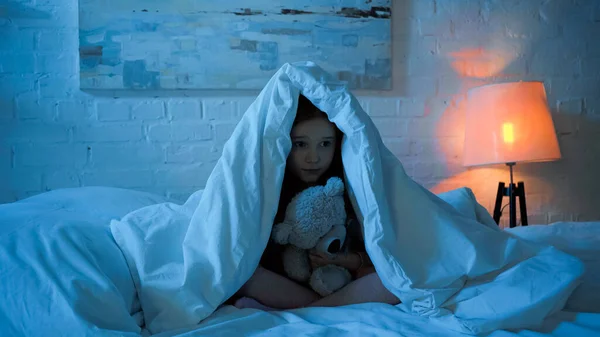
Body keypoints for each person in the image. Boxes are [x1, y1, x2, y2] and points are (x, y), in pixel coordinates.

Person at [231, 95, 400, 311]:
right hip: (289, 282)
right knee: (246, 276)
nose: (314, 158)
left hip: (340, 281)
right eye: (301, 144)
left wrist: (346, 260)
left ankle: (301, 311)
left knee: (395, 281)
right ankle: (320, 309)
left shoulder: (349, 186)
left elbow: (378, 253)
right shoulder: (268, 188)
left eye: (325, 144)